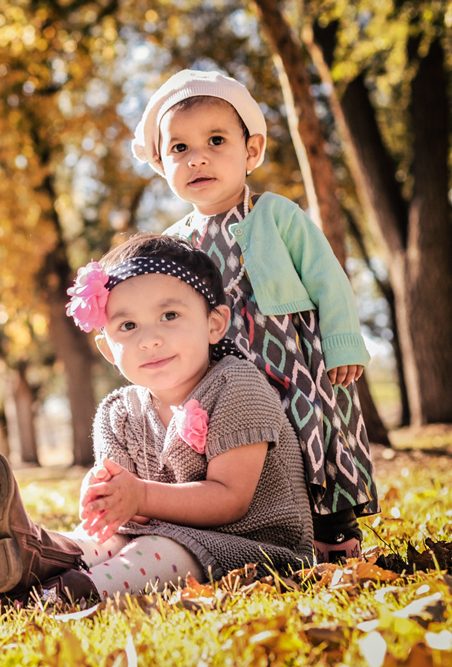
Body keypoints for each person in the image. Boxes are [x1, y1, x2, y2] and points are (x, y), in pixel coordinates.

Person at [0, 235, 314, 612]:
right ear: (107, 349)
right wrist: (106, 497)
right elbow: (126, 517)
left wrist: (141, 496)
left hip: (254, 546)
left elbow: (230, 500)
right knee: (102, 542)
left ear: (214, 324)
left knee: (152, 551)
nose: (149, 340)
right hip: (153, 534)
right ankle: (28, 557)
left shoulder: (237, 386)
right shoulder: (117, 412)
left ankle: (43, 598)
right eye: (128, 325)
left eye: (170, 316)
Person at [131, 69, 378, 562]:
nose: (197, 157)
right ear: (161, 164)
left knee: (311, 433)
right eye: (179, 148)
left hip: (293, 357)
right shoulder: (174, 244)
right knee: (247, 446)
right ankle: (267, 526)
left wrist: (342, 343)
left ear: (252, 150)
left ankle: (333, 530)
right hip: (225, 371)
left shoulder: (277, 214)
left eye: (215, 141)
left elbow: (327, 279)